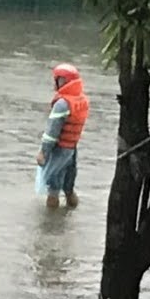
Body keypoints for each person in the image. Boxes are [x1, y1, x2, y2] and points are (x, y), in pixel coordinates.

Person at [36, 63, 90, 209]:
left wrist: (43, 152)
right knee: (69, 188)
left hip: (59, 149)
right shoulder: (82, 100)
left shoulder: (62, 103)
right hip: (72, 148)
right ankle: (69, 218)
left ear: (61, 81)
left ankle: (50, 226)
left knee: (53, 190)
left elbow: (52, 132)